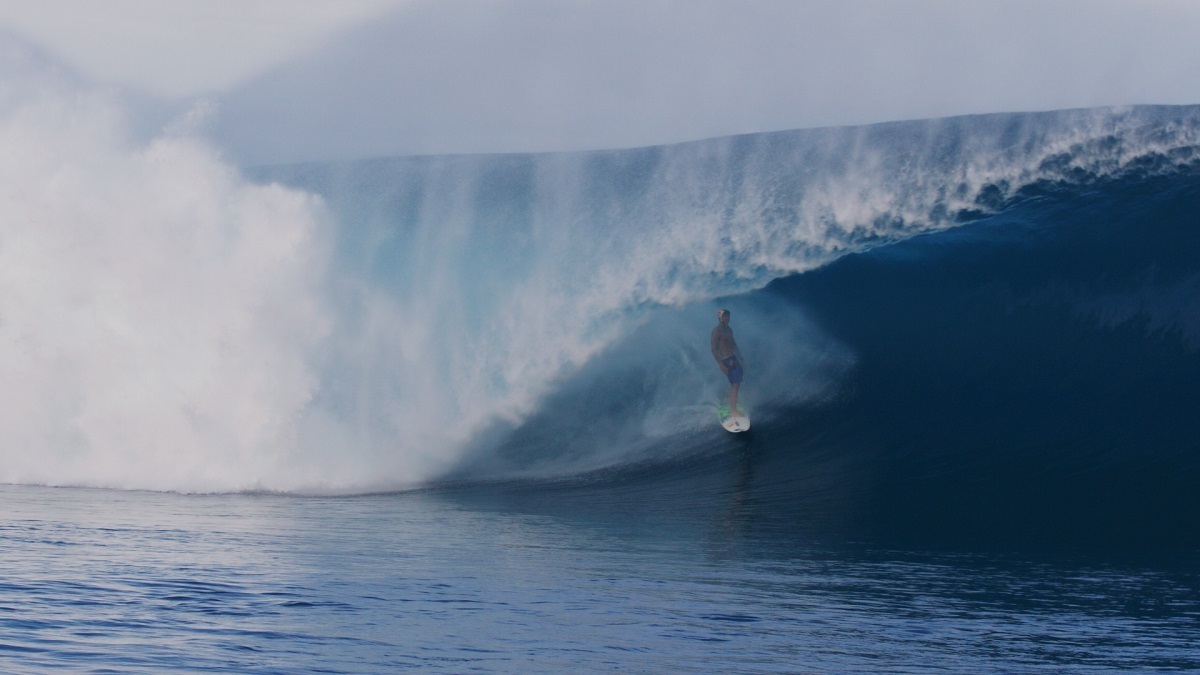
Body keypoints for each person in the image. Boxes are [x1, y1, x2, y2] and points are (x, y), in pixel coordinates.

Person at [710, 309, 744, 417]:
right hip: (726, 360)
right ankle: (733, 411)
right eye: (724, 316)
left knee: (737, 382)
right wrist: (720, 364)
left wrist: (741, 358)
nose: (727, 318)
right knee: (736, 384)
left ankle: (728, 399)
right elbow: (714, 349)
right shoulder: (716, 331)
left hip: (733, 358)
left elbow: (733, 343)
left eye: (728, 316)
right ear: (720, 318)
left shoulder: (729, 330)